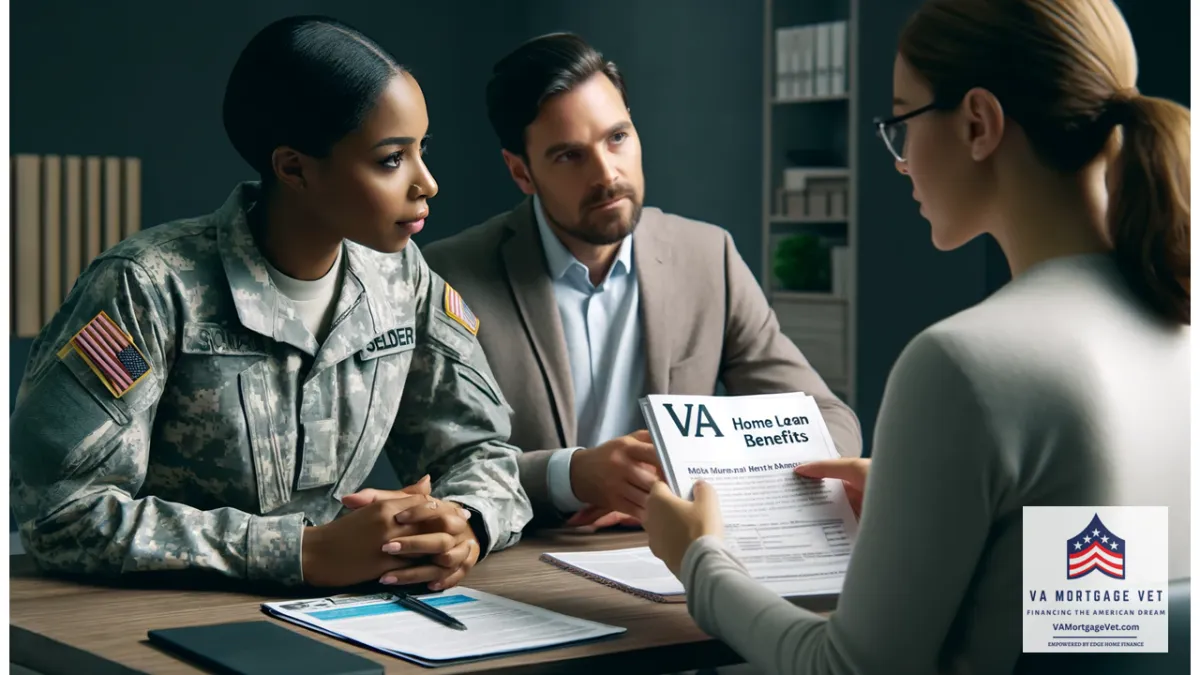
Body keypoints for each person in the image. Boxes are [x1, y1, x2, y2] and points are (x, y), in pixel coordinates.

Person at [643, 0, 1190, 672]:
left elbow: (846, 667)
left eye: (900, 121)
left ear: (978, 123)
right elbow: (1098, 618)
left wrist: (699, 558)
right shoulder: (1177, 328)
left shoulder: (966, 365)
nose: (900, 162)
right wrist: (948, 512)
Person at [8, 15, 532, 592]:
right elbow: (59, 512)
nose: (427, 183)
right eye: (390, 159)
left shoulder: (403, 279)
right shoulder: (148, 287)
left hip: (351, 611)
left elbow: (482, 452)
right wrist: (299, 551)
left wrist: (464, 525)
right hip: (163, 620)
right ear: (293, 168)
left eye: (421, 150)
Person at [420, 33, 862, 531]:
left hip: (669, 558)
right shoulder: (448, 278)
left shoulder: (708, 256)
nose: (607, 174)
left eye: (617, 137)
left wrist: (691, 482)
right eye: (570, 155)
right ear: (521, 172)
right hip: (519, 565)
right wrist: (573, 476)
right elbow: (439, 472)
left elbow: (829, 422)